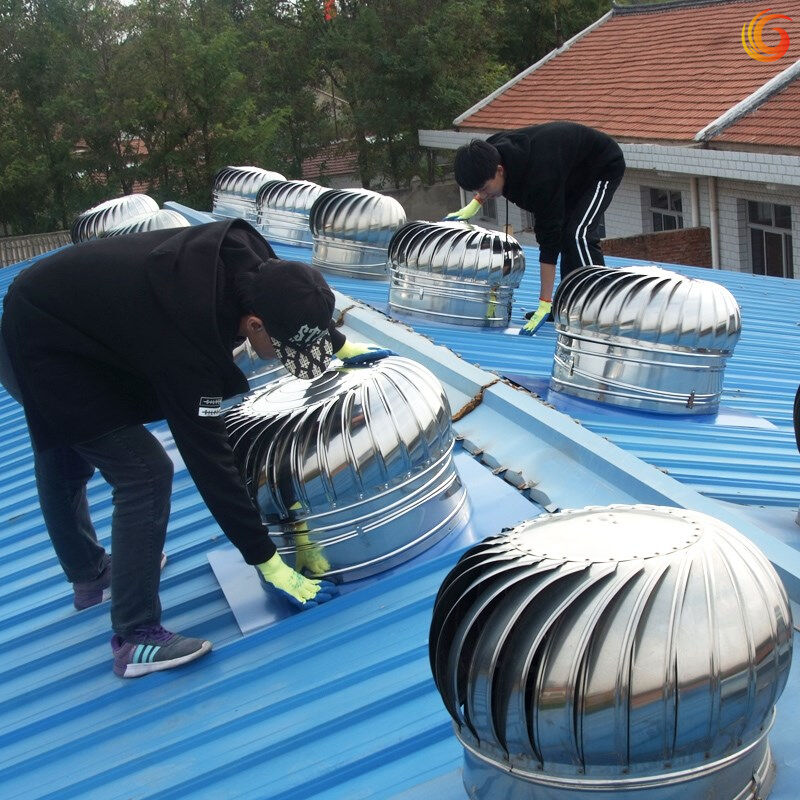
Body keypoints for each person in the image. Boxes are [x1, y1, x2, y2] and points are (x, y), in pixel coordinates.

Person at [0, 219, 390, 678]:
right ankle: (134, 636)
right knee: (142, 470)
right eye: (280, 348)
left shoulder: (256, 261)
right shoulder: (188, 341)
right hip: (39, 340)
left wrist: (336, 345)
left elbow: (295, 303)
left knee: (68, 446)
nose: (282, 359)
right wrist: (265, 560)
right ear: (254, 324)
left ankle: (92, 575)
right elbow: (209, 459)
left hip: (64, 306)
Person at [446, 121, 625, 334]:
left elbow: (549, 245)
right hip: (569, 172)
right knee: (568, 235)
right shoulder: (490, 151)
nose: (483, 194)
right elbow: (489, 183)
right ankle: (567, 306)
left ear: (500, 170)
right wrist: (475, 204)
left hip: (602, 166)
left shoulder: (539, 179)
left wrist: (544, 302)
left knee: (577, 234)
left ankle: (600, 308)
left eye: (484, 189)